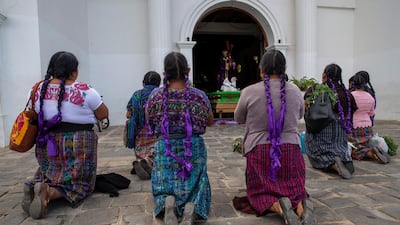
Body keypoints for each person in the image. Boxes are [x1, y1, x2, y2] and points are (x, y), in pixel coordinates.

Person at [22, 51, 109, 219]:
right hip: (78, 144)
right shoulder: (84, 90)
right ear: (74, 71)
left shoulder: (36, 89)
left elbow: (30, 112)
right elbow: (103, 114)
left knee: (50, 170)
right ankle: (50, 192)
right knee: (81, 184)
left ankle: (35, 186)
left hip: (47, 143)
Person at [234, 49, 314, 225]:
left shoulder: (249, 91)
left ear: (262, 70)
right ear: (284, 68)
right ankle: (302, 207)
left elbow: (238, 118)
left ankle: (278, 207)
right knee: (296, 189)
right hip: (291, 150)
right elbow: (300, 115)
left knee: (259, 192)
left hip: (259, 151)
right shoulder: (296, 92)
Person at [146, 52, 214, 225]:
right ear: (188, 70)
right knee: (197, 181)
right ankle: (192, 206)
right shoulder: (199, 96)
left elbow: (150, 121)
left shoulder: (155, 96)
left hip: (165, 146)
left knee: (165, 180)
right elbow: (210, 121)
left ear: (164, 73)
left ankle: (167, 201)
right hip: (193, 146)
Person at [305, 64, 357, 179]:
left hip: (321, 136)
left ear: (324, 75)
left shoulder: (315, 89)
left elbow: (307, 109)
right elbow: (351, 117)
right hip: (340, 139)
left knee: (315, 152)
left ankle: (332, 163)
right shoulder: (348, 94)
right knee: (340, 149)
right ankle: (343, 158)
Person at [125, 71, 161, 180]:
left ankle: (141, 161)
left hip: (139, 132)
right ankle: (148, 162)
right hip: (155, 131)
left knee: (141, 149)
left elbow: (128, 114)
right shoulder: (160, 94)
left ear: (143, 82)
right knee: (158, 151)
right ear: (158, 83)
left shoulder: (136, 95)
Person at [348, 73, 388, 163]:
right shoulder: (370, 96)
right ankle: (373, 150)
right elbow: (371, 113)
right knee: (366, 143)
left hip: (354, 126)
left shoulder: (350, 95)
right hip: (367, 127)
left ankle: (370, 153)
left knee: (354, 148)